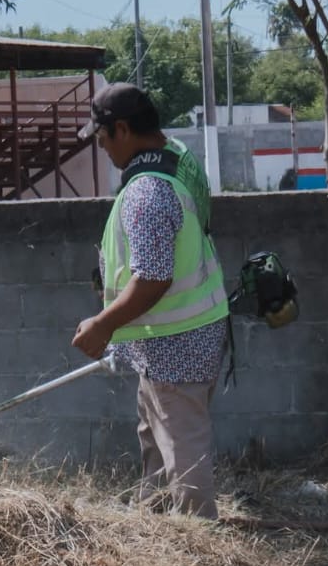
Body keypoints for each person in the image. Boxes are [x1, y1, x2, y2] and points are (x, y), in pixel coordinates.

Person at [72, 83, 228, 520]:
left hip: (174, 342)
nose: (101, 148)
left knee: (183, 451)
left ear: (122, 129)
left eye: (102, 137)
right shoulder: (176, 156)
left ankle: (200, 541)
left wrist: (103, 324)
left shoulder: (146, 193)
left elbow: (154, 278)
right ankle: (154, 521)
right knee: (156, 434)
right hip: (180, 334)